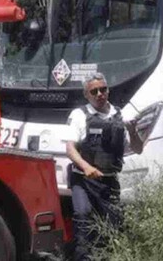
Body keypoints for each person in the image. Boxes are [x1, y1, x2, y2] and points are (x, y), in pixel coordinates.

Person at [65, 72, 144, 261]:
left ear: (108, 90)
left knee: (111, 227)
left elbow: (138, 148)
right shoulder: (79, 115)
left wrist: (133, 131)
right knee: (84, 218)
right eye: (94, 91)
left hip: (109, 180)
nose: (100, 94)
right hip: (83, 180)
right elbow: (70, 149)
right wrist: (87, 168)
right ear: (87, 95)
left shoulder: (119, 115)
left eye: (103, 89)